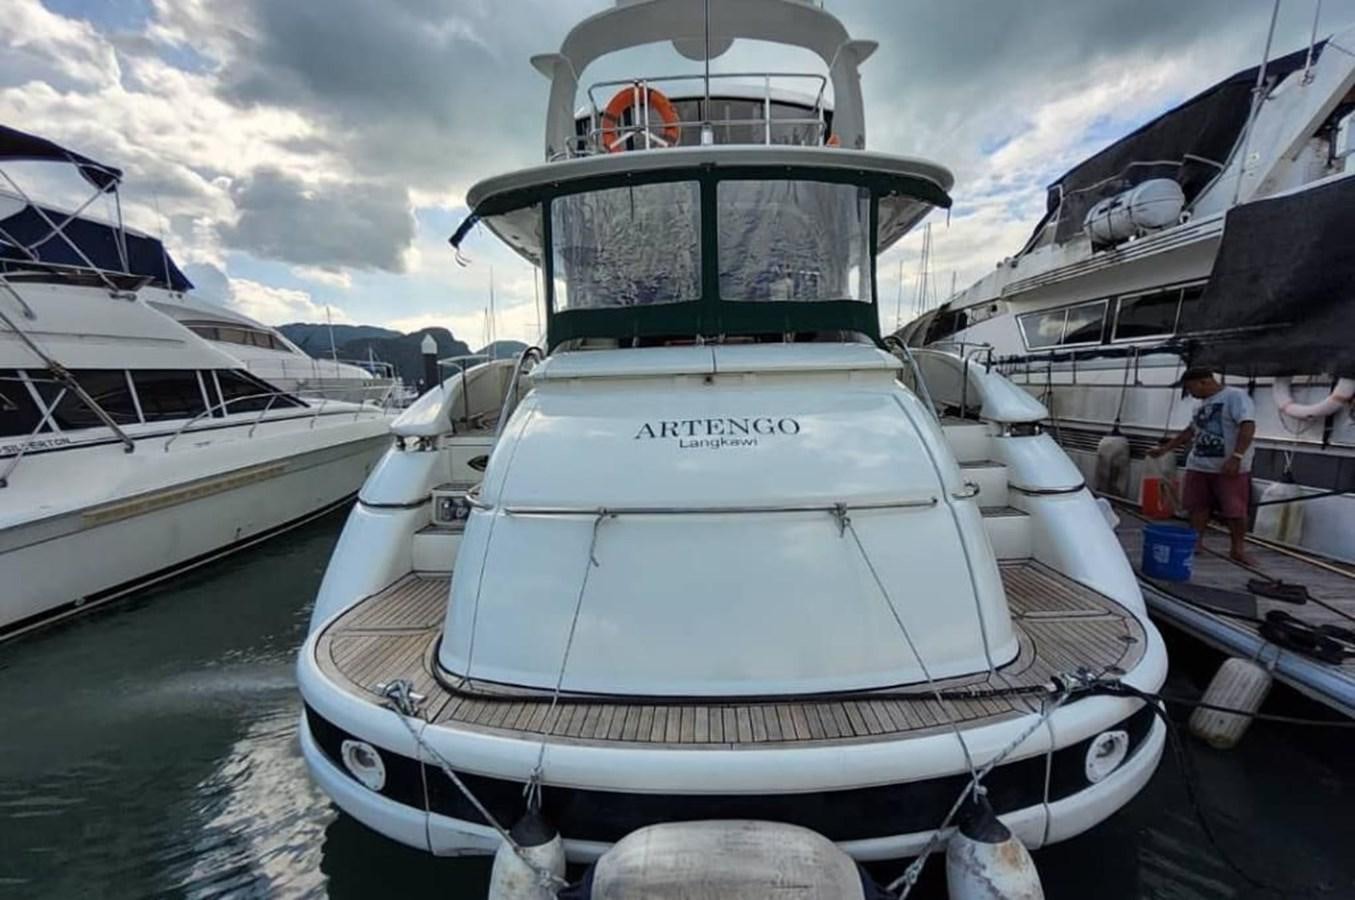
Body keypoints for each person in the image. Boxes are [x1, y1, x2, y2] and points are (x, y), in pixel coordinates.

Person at [1148, 367, 1256, 563]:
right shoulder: (1200, 405)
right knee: (1197, 506)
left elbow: (1247, 425)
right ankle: (1196, 542)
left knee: (1234, 509)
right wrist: (1166, 449)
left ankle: (1237, 548)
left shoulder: (1236, 397)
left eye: (1191, 389)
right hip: (1199, 464)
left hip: (1227, 466)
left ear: (1204, 382)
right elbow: (1191, 430)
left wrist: (1237, 456)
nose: (1191, 394)